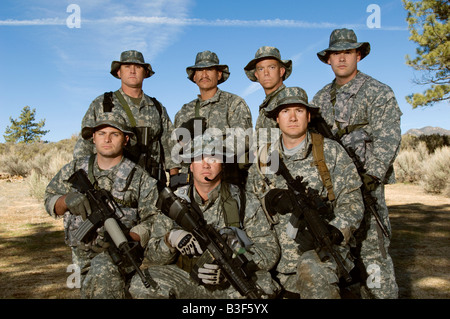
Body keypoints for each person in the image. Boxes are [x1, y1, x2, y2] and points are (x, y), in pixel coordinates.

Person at [129, 133, 280, 299]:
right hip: (186, 279)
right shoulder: (174, 203)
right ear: (191, 166)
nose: (205, 165)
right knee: (142, 284)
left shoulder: (243, 200)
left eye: (213, 158)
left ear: (222, 164)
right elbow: (152, 257)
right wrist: (170, 239)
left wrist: (236, 263)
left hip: (231, 283)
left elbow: (270, 250)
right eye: (199, 159)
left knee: (262, 287)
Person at [246, 87, 364, 298]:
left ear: (308, 116)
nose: (292, 117)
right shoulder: (263, 157)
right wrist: (270, 201)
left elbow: (352, 199)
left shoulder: (330, 151)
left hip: (321, 252)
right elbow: (250, 205)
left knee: (314, 271)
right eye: (285, 111)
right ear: (276, 119)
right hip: (276, 258)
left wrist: (336, 230)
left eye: (299, 111)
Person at [311, 28, 402, 299]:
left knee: (374, 253)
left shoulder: (378, 91)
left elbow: (389, 136)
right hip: (332, 190)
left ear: (358, 55)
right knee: (338, 250)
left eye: (347, 52)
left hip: (367, 187)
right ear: (328, 59)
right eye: (336, 53)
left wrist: (372, 176)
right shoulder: (318, 99)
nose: (341, 59)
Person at [44, 113, 163, 298]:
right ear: (93, 138)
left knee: (106, 278)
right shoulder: (74, 169)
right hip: (80, 257)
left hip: (118, 257)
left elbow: (154, 219)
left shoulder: (140, 178)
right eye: (101, 133)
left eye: (114, 134)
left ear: (126, 139)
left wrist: (127, 235)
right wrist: (65, 200)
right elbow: (50, 199)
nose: (107, 139)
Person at [73, 50, 179, 185]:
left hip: (152, 181)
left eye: (138, 67)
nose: (133, 71)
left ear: (145, 73)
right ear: (119, 72)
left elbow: (169, 144)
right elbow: (84, 144)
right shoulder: (102, 103)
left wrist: (175, 180)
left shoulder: (157, 107)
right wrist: (85, 180)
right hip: (110, 182)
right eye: (127, 67)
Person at [172, 50, 253, 187]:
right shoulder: (185, 111)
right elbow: (174, 149)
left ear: (219, 74)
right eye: (200, 70)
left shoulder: (234, 103)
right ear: (194, 77)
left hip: (227, 181)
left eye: (209, 69)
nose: (204, 74)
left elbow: (243, 139)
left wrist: (209, 150)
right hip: (193, 184)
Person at [244, 46, 292, 145]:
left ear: (281, 71)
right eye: (261, 69)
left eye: (272, 67)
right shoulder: (268, 103)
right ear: (256, 74)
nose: (266, 73)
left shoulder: (289, 100)